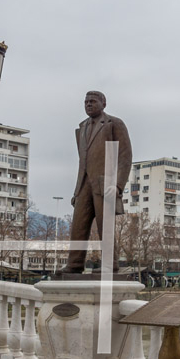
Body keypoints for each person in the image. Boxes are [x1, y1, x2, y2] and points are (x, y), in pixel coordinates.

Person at [60, 91, 132, 273]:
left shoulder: (114, 123)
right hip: (84, 184)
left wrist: (118, 185)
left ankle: (109, 264)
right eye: (86, 102)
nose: (88, 104)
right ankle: (74, 264)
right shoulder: (82, 127)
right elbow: (82, 161)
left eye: (92, 101)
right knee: (78, 225)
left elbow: (125, 156)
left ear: (103, 103)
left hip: (105, 182)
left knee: (105, 225)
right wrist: (77, 191)